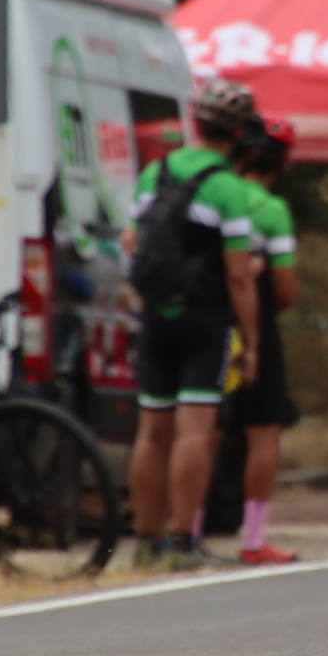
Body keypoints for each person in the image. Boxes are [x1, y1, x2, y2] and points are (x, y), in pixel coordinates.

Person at [124, 78, 261, 570]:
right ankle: (182, 542)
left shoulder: (152, 173)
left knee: (151, 430)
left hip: (156, 316)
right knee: (194, 432)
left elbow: (132, 244)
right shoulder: (229, 188)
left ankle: (144, 540)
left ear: (195, 121)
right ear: (240, 132)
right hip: (207, 318)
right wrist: (252, 339)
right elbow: (239, 275)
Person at [225, 114, 303, 564]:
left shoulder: (217, 192)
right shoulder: (269, 208)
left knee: (204, 429)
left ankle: (186, 533)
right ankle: (253, 539)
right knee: (263, 431)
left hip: (208, 321)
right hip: (255, 324)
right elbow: (286, 288)